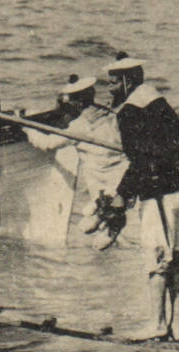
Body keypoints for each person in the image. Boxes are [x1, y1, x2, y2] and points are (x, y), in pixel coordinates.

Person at [107, 53, 179, 341]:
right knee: (176, 258)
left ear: (127, 80)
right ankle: (177, 325)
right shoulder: (160, 104)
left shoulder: (130, 111)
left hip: (159, 194)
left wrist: (122, 195)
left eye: (112, 83)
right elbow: (173, 146)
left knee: (157, 261)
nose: (109, 90)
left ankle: (157, 325)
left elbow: (140, 161)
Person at [22, 74, 127, 248]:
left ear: (77, 103)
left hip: (102, 180)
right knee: (89, 221)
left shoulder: (80, 126)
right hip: (121, 177)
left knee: (89, 228)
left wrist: (26, 128)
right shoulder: (110, 114)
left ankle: (109, 224)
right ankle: (106, 219)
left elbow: (48, 144)